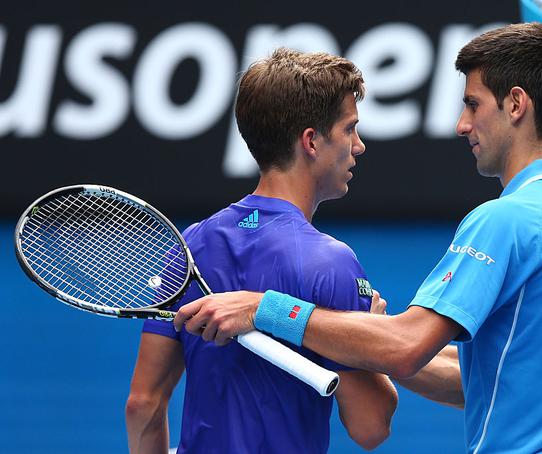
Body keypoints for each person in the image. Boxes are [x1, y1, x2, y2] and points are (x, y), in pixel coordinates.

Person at [174, 23, 542, 453]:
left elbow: (406, 347)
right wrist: (360, 334)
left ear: (515, 104)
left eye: (472, 104)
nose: (461, 125)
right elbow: (488, 381)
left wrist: (262, 308)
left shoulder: (506, 220)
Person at [125, 48, 398, 454]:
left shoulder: (193, 243)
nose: (358, 145)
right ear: (311, 141)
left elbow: (142, 406)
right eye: (349, 129)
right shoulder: (332, 262)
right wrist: (368, 339)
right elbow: (371, 426)